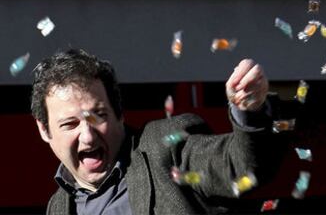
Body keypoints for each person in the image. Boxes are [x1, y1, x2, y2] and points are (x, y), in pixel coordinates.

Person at [31, 49, 278, 214]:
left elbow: (239, 167)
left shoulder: (167, 148)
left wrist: (249, 112)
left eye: (98, 116)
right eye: (69, 124)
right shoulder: (58, 206)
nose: (87, 135)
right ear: (45, 130)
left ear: (119, 114)